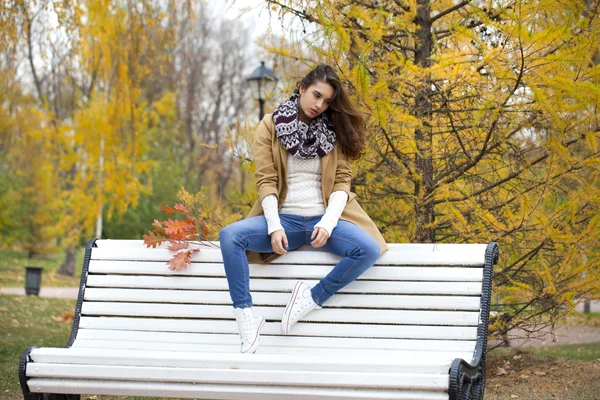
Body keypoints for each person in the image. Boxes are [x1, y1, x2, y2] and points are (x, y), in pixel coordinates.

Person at [219, 64, 388, 354]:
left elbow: (342, 182)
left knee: (369, 249)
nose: (319, 105)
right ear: (301, 88)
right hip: (285, 221)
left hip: (325, 221)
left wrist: (328, 222)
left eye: (327, 101)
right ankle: (247, 317)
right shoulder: (270, 126)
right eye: (316, 95)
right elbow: (267, 180)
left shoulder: (335, 131)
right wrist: (273, 226)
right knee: (230, 236)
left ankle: (309, 298)